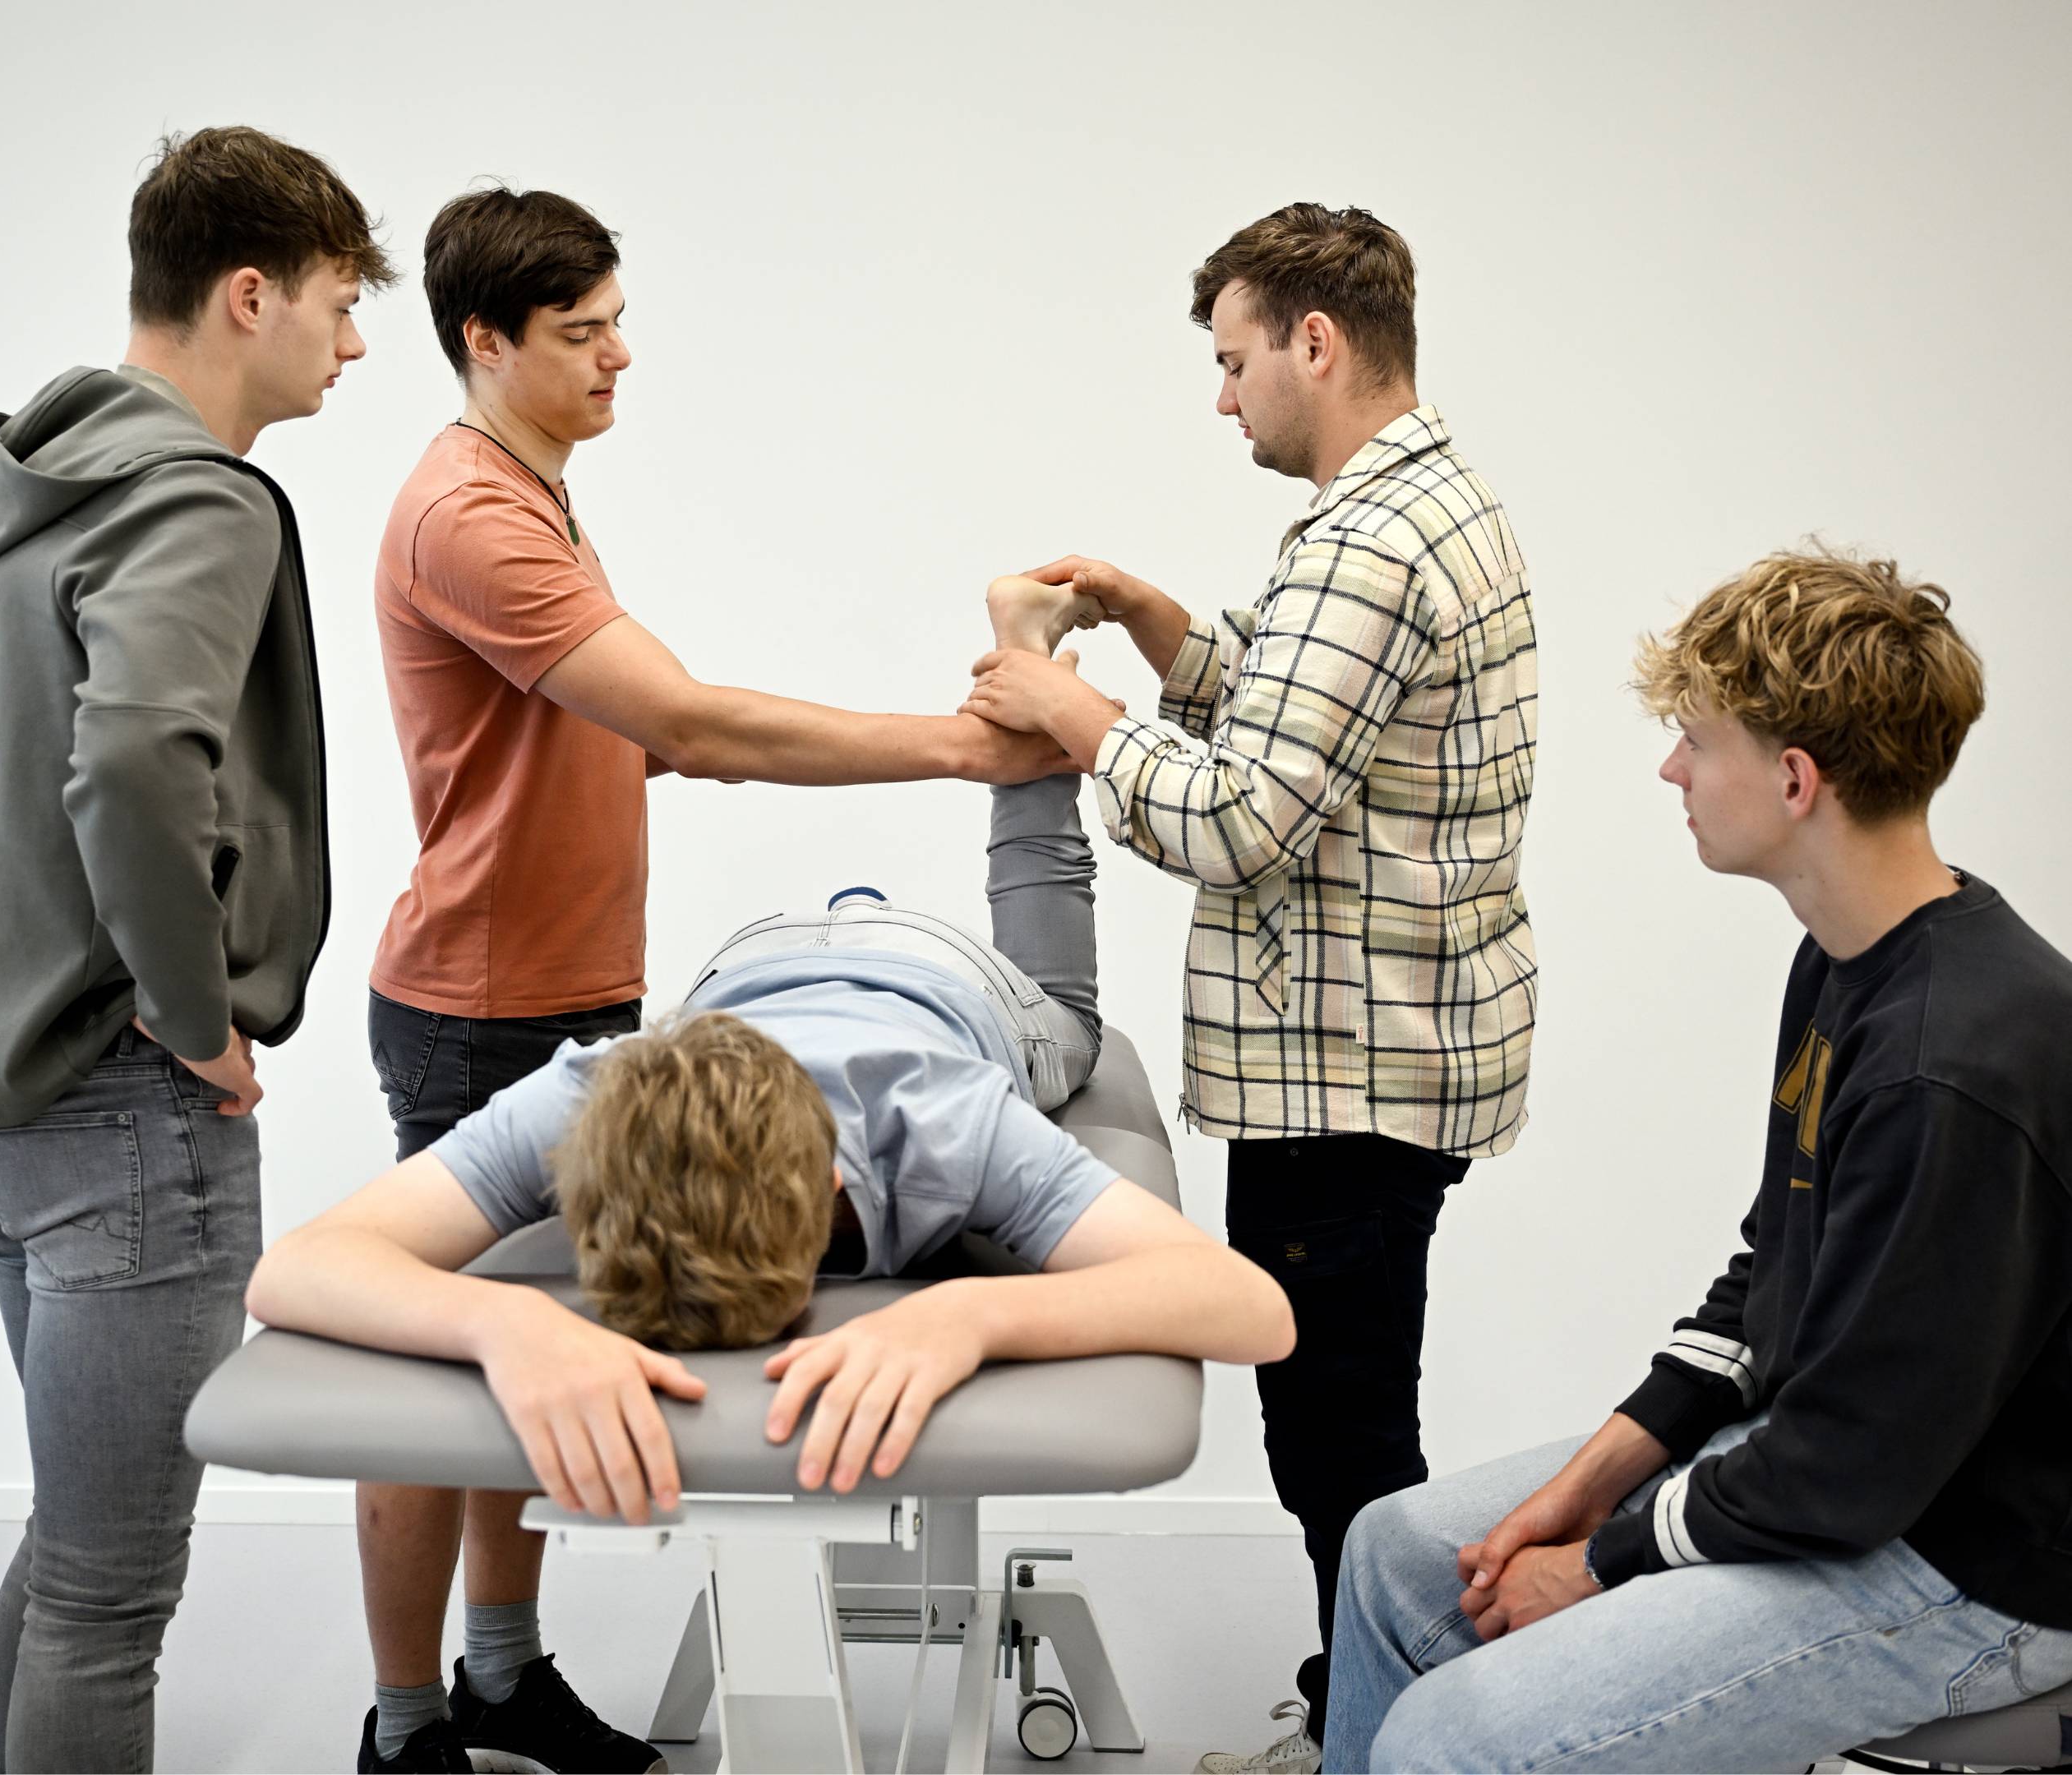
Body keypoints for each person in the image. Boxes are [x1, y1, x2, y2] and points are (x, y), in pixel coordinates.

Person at [353, 183, 1085, 1773]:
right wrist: (965, 749)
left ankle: (499, 1677)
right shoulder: (472, 513)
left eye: (621, 320)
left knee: (535, 1347)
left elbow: (616, 742)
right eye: (582, 332)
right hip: (482, 1006)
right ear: (486, 343)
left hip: (566, 989)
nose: (622, 356)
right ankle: (407, 1730)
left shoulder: (531, 485)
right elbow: (688, 726)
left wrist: (680, 748)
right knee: (437, 1376)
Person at [248, 768, 1298, 1771]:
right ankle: (448, 1702)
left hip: (951, 977)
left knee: (1070, 1025)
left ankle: (1028, 741)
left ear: (840, 1181)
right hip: (743, 970)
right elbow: (297, 1269)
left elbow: (1253, 1310)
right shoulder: (588, 1096)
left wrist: (973, 1316)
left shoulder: (940, 1121)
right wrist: (500, 1324)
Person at [1322, 548, 2072, 1773]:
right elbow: (1775, 1266)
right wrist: (1598, 1472)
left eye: (1697, 740)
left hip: (1969, 1555)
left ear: (1792, 779)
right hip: (1847, 1467)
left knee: (1456, 1736)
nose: (1672, 768)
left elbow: (1852, 1468)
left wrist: (1605, 1558)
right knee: (1399, 1557)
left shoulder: (1955, 1065)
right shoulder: (1848, 958)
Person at [962, 203, 1537, 1773]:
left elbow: (1239, 818)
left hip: (1347, 1073)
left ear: (1316, 343)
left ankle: (1378, 1737)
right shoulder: (1428, 502)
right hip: (1401, 1050)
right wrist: (1164, 638)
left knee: (1339, 1433)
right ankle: (1368, 1708)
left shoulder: (1368, 539)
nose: (1224, 401)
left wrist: (1073, 717)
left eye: (1233, 365)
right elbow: (1316, 725)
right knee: (1349, 1415)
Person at [0, 127, 392, 1771]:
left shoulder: (17, 481)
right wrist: (191, 1012)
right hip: (119, 1112)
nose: (357, 342)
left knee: (75, 1554)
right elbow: (128, 754)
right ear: (251, 296)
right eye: (335, 302)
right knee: (114, 1594)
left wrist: (22, 882)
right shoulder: (201, 499)